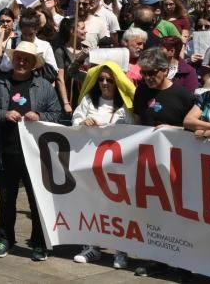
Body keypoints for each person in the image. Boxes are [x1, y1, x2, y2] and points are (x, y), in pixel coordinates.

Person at [0, 40, 62, 261]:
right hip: (5, 151)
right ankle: (5, 238)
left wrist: (41, 117)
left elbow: (57, 114)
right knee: (6, 199)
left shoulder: (44, 86)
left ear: (34, 63)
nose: (22, 62)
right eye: (18, 58)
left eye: (27, 59)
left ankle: (39, 243)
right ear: (13, 59)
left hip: (35, 155)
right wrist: (3, 115)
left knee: (37, 201)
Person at [130, 48, 196, 277]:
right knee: (155, 214)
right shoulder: (141, 92)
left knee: (179, 215)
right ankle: (158, 259)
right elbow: (137, 123)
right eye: (143, 73)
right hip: (150, 165)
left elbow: (196, 128)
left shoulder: (183, 95)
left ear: (165, 70)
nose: (147, 77)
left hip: (179, 164)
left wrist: (173, 130)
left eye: (151, 73)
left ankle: (184, 263)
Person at [69, 62, 136, 269]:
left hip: (117, 166)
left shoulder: (125, 107)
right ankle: (92, 246)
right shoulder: (89, 101)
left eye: (109, 79)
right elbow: (75, 122)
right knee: (92, 205)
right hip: (92, 164)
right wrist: (84, 123)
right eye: (101, 79)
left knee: (118, 208)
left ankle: (120, 250)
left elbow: (132, 130)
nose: (105, 83)